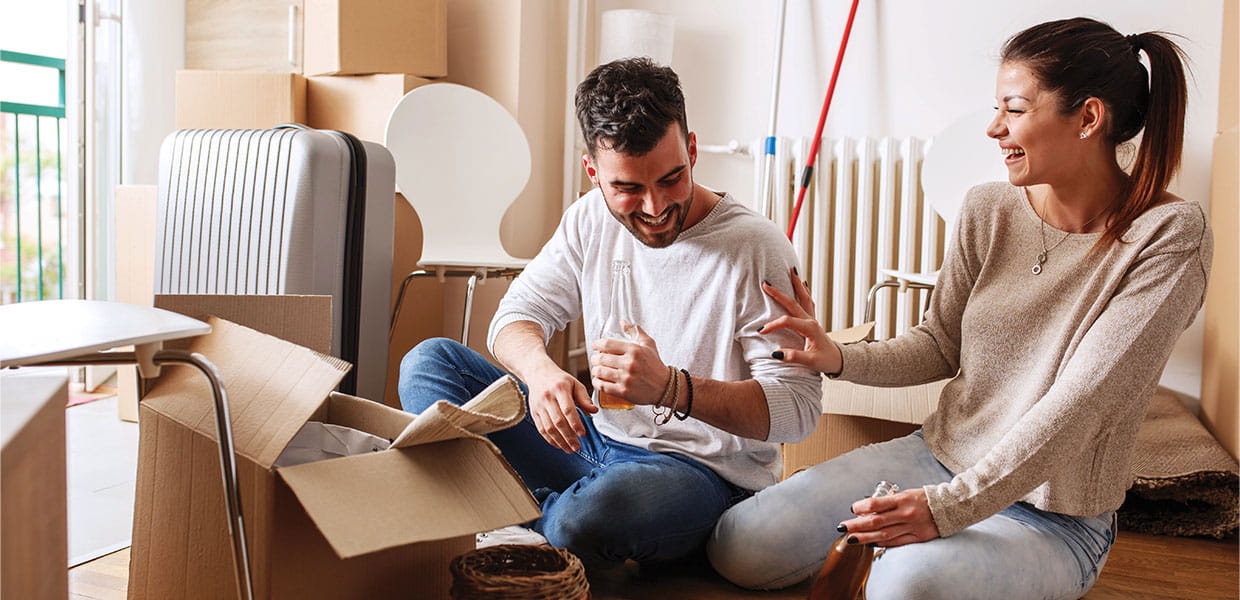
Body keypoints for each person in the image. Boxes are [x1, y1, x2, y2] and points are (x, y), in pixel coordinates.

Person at [708, 17, 1211, 600]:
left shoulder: (1168, 234)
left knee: (904, 586)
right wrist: (836, 355)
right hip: (937, 459)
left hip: (1052, 512)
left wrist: (948, 510)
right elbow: (939, 345)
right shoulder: (988, 209)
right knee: (737, 546)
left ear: (1089, 118)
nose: (995, 128)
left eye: (1014, 109)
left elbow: (1082, 405)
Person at [398, 57, 822, 569]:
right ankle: (541, 522)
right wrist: (542, 374)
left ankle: (514, 517)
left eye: (672, 178)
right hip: (593, 440)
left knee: (589, 518)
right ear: (592, 171)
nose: (655, 206)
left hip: (699, 473)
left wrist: (671, 387)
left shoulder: (757, 248)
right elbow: (515, 316)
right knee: (429, 363)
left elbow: (799, 411)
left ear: (691, 149)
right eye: (628, 189)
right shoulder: (587, 218)